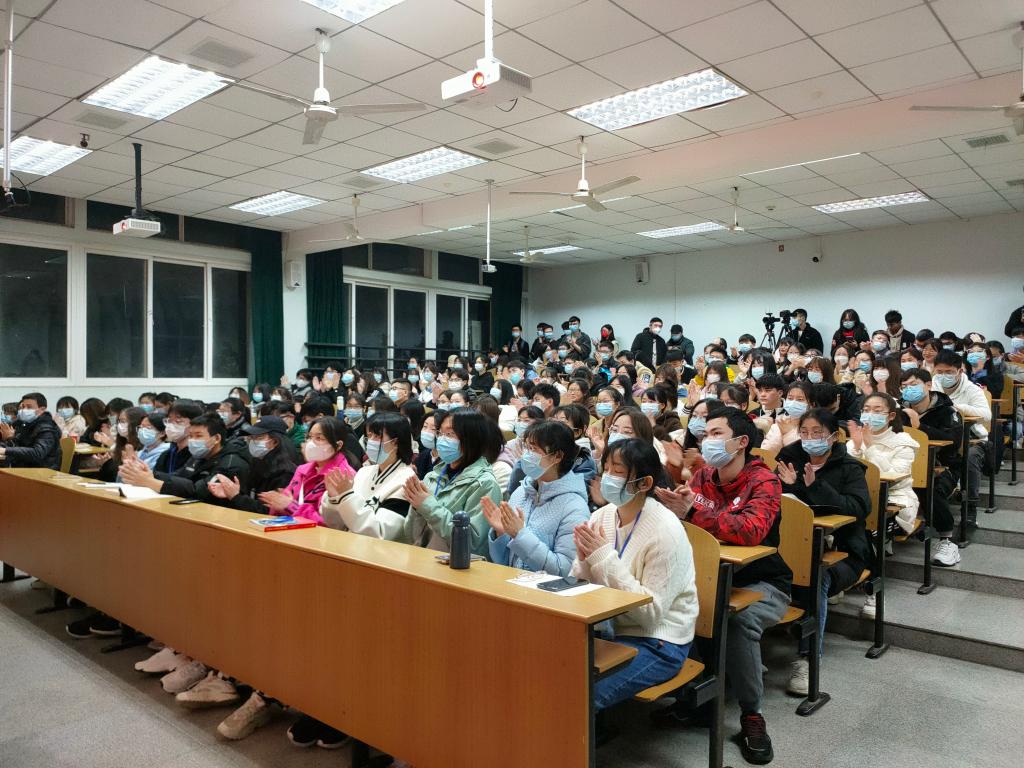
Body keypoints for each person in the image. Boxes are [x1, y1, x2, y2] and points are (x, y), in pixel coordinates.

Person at [653, 408, 789, 764]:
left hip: (762, 580)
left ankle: (752, 715)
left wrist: (692, 513)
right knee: (673, 605)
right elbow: (689, 526)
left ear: (741, 442)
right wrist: (673, 510)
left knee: (738, 622)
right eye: (706, 434)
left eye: (716, 434)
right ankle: (696, 697)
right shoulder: (703, 476)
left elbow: (751, 530)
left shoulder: (764, 481)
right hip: (709, 575)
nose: (706, 440)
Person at [572, 437, 697, 713]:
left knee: (582, 695)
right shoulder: (602, 516)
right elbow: (584, 589)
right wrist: (583, 562)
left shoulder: (666, 530)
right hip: (608, 630)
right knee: (547, 671)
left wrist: (603, 558)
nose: (607, 477)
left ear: (644, 483)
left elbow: (651, 615)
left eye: (617, 471)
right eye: (606, 468)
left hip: (660, 642)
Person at [775, 408, 871, 696]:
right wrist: (792, 486)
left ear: (833, 436)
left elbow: (858, 509)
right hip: (791, 545)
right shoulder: (789, 458)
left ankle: (808, 658)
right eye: (804, 432)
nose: (810, 438)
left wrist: (816, 486)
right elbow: (776, 499)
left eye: (817, 433)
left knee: (816, 577)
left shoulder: (850, 468)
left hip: (843, 552)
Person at [484, 420, 590, 575]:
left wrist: (520, 535)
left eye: (533, 449)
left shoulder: (574, 507)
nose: (526, 455)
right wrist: (501, 533)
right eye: (526, 447)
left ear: (557, 456)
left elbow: (565, 570)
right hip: (512, 584)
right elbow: (504, 562)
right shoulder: (521, 492)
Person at [402, 409, 502, 556]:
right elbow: (410, 536)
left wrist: (427, 505)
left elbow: (472, 543)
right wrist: (416, 508)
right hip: (422, 559)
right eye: (440, 433)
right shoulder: (432, 476)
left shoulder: (484, 484)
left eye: (449, 434)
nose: (442, 440)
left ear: (472, 439)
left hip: (456, 565)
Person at [898, 369, 965, 566]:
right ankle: (886, 535)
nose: (908, 389)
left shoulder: (948, 411)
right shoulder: (898, 410)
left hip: (944, 465)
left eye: (913, 385)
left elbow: (953, 442)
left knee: (930, 486)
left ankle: (947, 540)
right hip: (904, 464)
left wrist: (920, 427)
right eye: (904, 386)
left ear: (928, 385)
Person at [320, 412, 417, 539]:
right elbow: (337, 525)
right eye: (369, 436)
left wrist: (346, 496)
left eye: (377, 436)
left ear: (395, 442)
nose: (371, 441)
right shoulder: (364, 472)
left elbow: (381, 533)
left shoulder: (407, 480)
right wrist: (334, 498)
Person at [119, 413, 251, 505]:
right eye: (191, 436)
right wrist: (151, 474)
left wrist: (151, 482)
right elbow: (179, 476)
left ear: (216, 438)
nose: (192, 440)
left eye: (198, 436)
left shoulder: (231, 463)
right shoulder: (200, 455)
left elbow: (198, 491)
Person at [932, 350, 989, 527]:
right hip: (943, 436)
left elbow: (986, 415)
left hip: (971, 438)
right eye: (940, 372)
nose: (943, 376)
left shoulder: (972, 389)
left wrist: (956, 407)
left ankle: (970, 507)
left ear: (959, 371)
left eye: (949, 372)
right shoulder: (931, 386)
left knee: (970, 457)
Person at [207, 416, 301, 514]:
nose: (252, 441)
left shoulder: (285, 473)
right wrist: (230, 492)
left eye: (258, 437)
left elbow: (269, 511)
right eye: (251, 437)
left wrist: (236, 497)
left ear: (275, 441)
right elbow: (249, 498)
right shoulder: (256, 462)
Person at [0, 393, 61, 470]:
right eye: (23, 407)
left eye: (29, 407)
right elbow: (19, 445)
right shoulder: (25, 424)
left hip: (42, 471)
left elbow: (37, 453)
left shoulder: (47, 428)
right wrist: (9, 440)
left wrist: (5, 450)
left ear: (42, 409)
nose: (24, 410)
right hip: (24, 467)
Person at [761, 381, 812, 456]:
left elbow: (806, 454)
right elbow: (766, 451)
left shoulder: (815, 426)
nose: (793, 402)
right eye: (790, 398)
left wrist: (787, 434)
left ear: (810, 404)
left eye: (800, 399)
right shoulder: (779, 422)